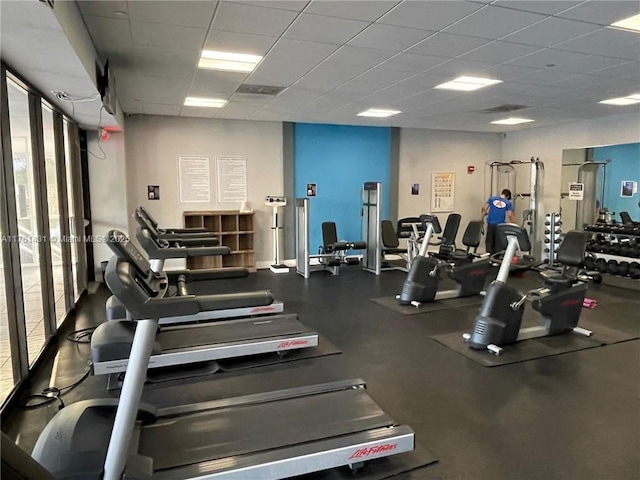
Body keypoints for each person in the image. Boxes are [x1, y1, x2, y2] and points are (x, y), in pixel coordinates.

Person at [482, 189, 516, 254]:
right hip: (500, 225)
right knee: (498, 244)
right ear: (508, 196)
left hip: (490, 223)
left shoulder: (491, 199)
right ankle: (496, 259)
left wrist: (482, 219)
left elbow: (484, 209)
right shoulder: (508, 203)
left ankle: (489, 258)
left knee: (489, 242)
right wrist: (515, 225)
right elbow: (510, 215)